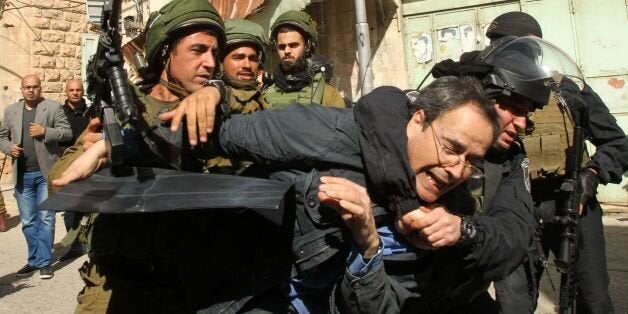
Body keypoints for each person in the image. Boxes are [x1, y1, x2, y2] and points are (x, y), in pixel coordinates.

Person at [55, 74, 500, 312]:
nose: (455, 169)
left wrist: (367, 246)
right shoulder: (333, 133)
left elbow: (384, 308)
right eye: (451, 148)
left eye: (472, 161)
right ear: (418, 120)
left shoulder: (445, 219)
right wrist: (112, 149)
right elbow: (220, 135)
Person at [47, 1, 293, 312]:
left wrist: (219, 91)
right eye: (198, 50)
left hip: (193, 286)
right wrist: (105, 150)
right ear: (165, 52)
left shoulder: (219, 109)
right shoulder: (124, 110)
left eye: (215, 54)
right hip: (116, 284)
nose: (209, 62)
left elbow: (259, 112)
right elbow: (59, 185)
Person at [486, 11, 628, 314]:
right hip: (515, 206)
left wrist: (591, 175)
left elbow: (617, 142)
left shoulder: (567, 89)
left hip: (572, 200)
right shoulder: (486, 96)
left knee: (593, 298)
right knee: (514, 303)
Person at [0, 74, 72, 279]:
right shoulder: (11, 111)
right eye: (26, 87)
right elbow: (1, 137)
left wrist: (45, 131)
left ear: (41, 88)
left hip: (44, 174)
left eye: (34, 86)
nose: (30, 90)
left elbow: (66, 133)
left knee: (46, 218)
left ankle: (44, 262)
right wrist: (8, 148)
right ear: (22, 89)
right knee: (28, 221)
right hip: (23, 175)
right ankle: (34, 260)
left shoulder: (52, 107)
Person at [264, 10, 346, 108]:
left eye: (293, 45)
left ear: (307, 46)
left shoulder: (326, 94)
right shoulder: (264, 94)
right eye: (281, 47)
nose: (286, 51)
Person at [58, 78, 90, 261]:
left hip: (89, 165)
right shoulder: (60, 113)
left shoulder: (91, 111)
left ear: (83, 91)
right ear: (66, 92)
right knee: (70, 209)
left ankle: (91, 242)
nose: (75, 92)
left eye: (78, 89)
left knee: (90, 207)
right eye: (72, 90)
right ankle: (75, 245)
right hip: (67, 166)